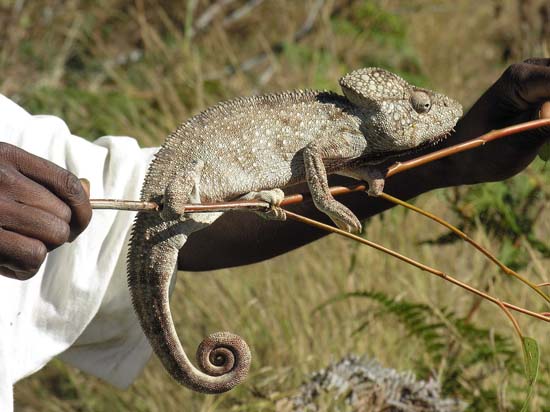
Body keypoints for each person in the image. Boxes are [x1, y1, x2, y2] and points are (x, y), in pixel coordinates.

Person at [0, 58, 548, 409]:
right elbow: (311, 158)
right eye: (419, 109)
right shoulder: (344, 129)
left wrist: (440, 163)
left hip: (195, 184)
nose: (427, 113)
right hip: (198, 174)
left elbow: (109, 217)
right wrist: (329, 201)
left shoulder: (354, 134)